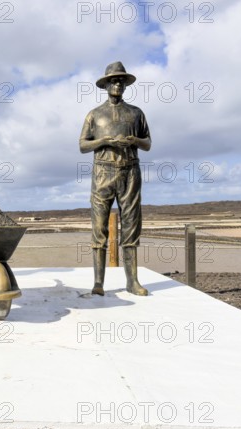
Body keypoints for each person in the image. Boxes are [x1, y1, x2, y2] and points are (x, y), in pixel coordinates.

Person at [79, 62, 151, 296]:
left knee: (131, 225)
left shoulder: (136, 113)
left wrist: (134, 141)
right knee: (99, 227)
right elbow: (82, 145)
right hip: (103, 173)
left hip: (130, 172)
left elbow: (148, 143)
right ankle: (98, 283)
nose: (117, 84)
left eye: (121, 80)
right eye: (113, 80)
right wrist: (105, 141)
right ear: (106, 84)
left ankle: (132, 281)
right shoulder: (94, 114)